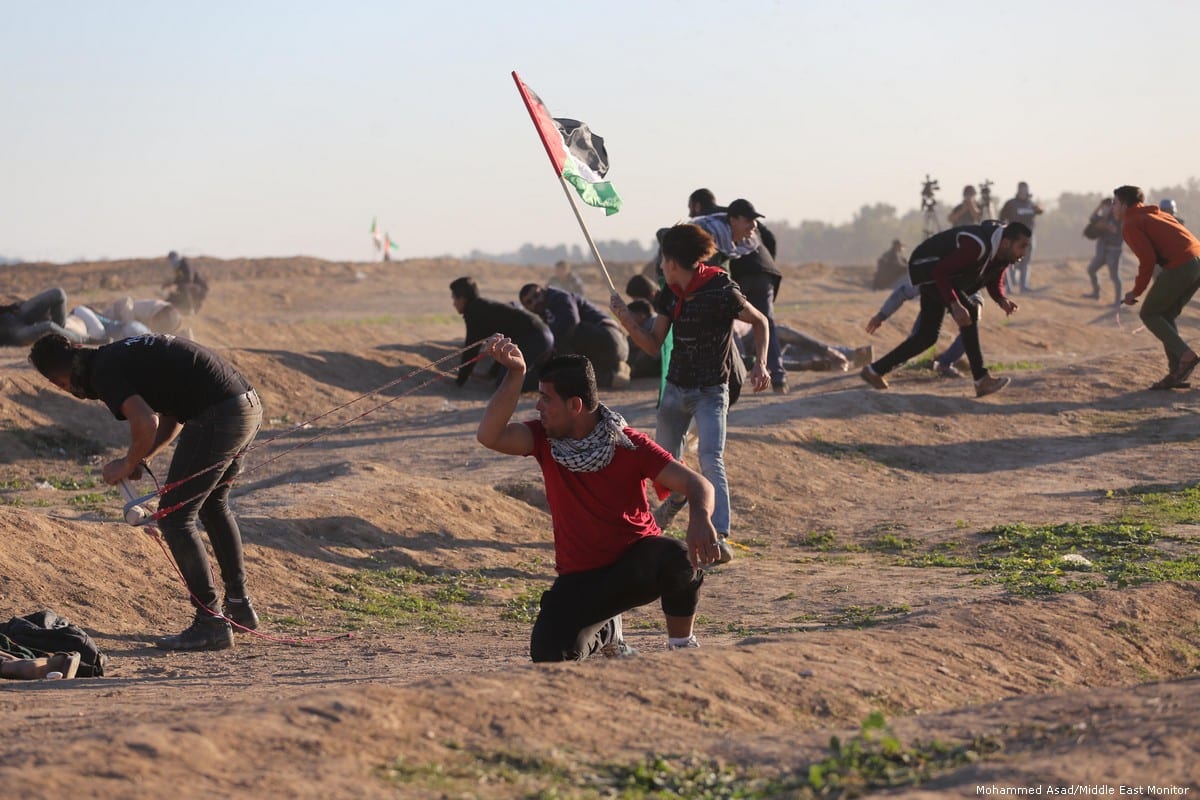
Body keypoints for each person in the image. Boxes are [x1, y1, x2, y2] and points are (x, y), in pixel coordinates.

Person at [475, 343, 719, 659]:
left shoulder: (628, 444)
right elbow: (489, 436)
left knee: (679, 558)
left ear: (575, 405)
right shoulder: (543, 439)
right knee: (549, 655)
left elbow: (697, 484)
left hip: (635, 565)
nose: (538, 407)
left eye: (547, 399)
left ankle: (682, 648)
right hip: (581, 577)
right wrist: (515, 373)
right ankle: (608, 631)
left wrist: (701, 517)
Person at [28, 333, 263, 651]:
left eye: (62, 386)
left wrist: (127, 462)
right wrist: (142, 457)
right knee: (213, 504)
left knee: (175, 518)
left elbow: (146, 420)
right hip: (246, 405)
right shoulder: (117, 356)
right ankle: (240, 607)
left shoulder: (103, 371)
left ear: (58, 380)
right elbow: (171, 416)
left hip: (220, 413)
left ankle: (211, 623)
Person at [611, 223, 770, 562]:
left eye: (663, 260)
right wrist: (627, 321)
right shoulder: (669, 294)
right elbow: (653, 346)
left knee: (712, 458)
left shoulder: (721, 289)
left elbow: (760, 322)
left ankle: (720, 535)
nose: (661, 267)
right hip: (675, 390)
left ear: (671, 261)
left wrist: (761, 364)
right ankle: (680, 499)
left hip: (712, 391)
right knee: (664, 464)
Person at [859, 221, 1031, 398]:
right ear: (1005, 243)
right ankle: (981, 379)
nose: (1024, 253)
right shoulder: (977, 246)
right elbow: (940, 272)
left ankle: (874, 370)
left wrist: (1001, 299)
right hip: (926, 267)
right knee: (969, 312)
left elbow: (994, 276)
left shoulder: (1002, 253)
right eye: (1022, 246)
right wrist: (955, 305)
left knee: (927, 336)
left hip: (942, 276)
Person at [693, 199, 787, 393]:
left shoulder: (713, 222)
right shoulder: (713, 227)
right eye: (749, 220)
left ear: (696, 206)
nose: (753, 225)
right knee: (763, 321)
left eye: (754, 221)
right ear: (733, 219)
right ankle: (776, 376)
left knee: (734, 320)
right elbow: (770, 238)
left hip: (749, 276)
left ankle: (742, 369)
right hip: (765, 273)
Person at [1113, 185, 1200, 390]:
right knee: (1166, 315)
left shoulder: (1131, 223)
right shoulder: (1155, 213)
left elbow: (1147, 260)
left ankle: (1186, 355)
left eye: (1115, 203)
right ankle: (1176, 372)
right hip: (1196, 261)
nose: (1112, 207)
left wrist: (1136, 292)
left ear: (1125, 205)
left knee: (1149, 313)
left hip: (1181, 265)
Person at [450, 277, 553, 393]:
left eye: (454, 298)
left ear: (463, 299)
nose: (453, 304)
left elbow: (471, 348)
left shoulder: (475, 312)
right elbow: (503, 341)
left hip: (536, 337)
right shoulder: (482, 307)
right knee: (504, 378)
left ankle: (551, 381)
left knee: (506, 383)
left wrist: (459, 381)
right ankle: (547, 377)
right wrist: (491, 374)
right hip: (542, 334)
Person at [518, 283, 630, 389]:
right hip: (607, 348)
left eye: (537, 295)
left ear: (543, 291)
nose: (535, 302)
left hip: (611, 338)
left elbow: (570, 322)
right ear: (527, 308)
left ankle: (607, 375)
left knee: (560, 341)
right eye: (529, 302)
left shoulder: (558, 297)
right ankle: (613, 374)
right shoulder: (545, 315)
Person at [865, 278, 974, 378]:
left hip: (959, 292)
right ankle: (893, 362)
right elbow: (903, 291)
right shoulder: (930, 276)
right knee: (926, 336)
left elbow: (976, 297)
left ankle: (945, 363)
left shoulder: (969, 278)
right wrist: (882, 315)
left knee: (970, 324)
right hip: (936, 287)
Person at [0, 288, 87, 346]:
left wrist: (7, 308)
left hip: (13, 314)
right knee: (49, 326)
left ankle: (60, 335)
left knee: (58, 293)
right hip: (12, 335)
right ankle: (82, 339)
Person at [999, 182, 1044, 292]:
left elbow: (1040, 211)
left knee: (1026, 262)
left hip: (1029, 237)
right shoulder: (1011, 203)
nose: (1024, 192)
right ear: (1018, 190)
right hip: (1015, 237)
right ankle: (1009, 286)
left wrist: (1039, 208)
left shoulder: (1031, 204)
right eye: (1022, 190)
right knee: (1011, 261)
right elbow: (1002, 218)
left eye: (1026, 190)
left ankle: (1023, 286)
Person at [1083, 198, 1124, 304]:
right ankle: (1096, 293)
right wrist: (1100, 206)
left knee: (1114, 276)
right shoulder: (1103, 218)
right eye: (1104, 206)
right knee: (1091, 270)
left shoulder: (1118, 218)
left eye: (1108, 206)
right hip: (1102, 250)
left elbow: (1116, 231)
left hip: (1113, 250)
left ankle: (1118, 301)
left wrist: (1107, 226)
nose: (1105, 208)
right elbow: (1092, 218)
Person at [624, 299, 662, 378]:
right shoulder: (654, 320)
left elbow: (649, 350)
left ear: (642, 315)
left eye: (631, 315)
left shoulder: (651, 325)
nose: (628, 318)